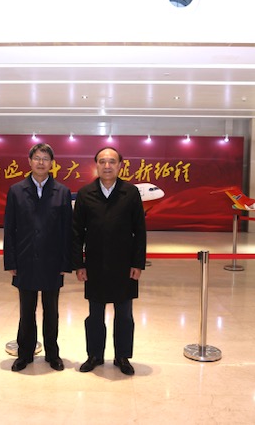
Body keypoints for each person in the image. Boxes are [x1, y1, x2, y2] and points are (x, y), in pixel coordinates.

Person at [72, 147, 147, 376]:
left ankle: (122, 356)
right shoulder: (85, 193)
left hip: (124, 265)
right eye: (102, 161)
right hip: (94, 265)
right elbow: (76, 232)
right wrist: (79, 264)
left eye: (112, 161)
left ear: (120, 165)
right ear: (96, 165)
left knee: (124, 315)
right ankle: (94, 355)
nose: (107, 166)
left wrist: (138, 264)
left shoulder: (130, 192)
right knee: (95, 315)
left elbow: (139, 231)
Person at [3, 143, 72, 372]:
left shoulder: (61, 191)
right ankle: (25, 354)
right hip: (25, 260)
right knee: (27, 311)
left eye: (45, 158)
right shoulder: (16, 190)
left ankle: (53, 354)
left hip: (53, 261)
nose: (41, 162)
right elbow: (9, 229)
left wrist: (66, 262)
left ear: (52, 163)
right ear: (29, 161)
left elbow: (67, 230)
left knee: (51, 311)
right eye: (37, 158)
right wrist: (11, 261)